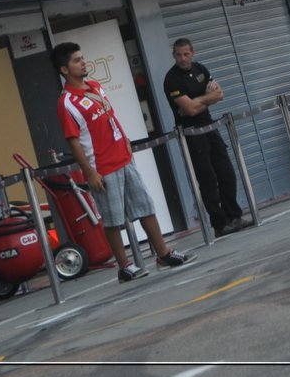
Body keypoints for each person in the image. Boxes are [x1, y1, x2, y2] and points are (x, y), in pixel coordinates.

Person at [52, 43, 192, 282]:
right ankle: (125, 266)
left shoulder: (94, 86)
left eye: (82, 58)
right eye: (77, 60)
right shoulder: (66, 103)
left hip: (123, 159)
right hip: (102, 168)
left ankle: (163, 254)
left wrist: (125, 139)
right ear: (64, 69)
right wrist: (90, 173)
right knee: (113, 219)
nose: (83, 63)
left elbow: (110, 116)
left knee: (145, 206)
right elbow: (74, 142)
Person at [162, 39, 248, 235]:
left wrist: (198, 101)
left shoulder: (200, 69)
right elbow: (190, 111)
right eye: (178, 55)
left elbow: (219, 95)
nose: (182, 58)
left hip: (209, 125)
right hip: (191, 132)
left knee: (226, 172)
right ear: (173, 55)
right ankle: (220, 223)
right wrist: (202, 101)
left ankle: (235, 217)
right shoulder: (172, 79)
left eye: (186, 54)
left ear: (193, 52)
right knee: (207, 179)